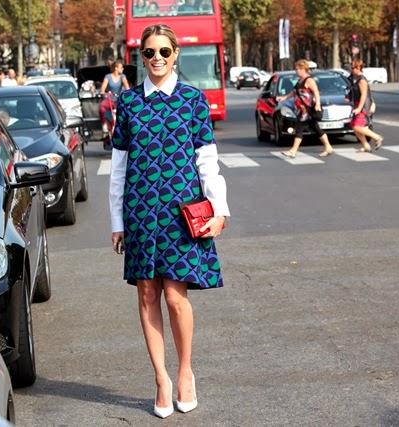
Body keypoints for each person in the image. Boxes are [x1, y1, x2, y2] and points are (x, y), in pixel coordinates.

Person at [109, 23, 229, 419]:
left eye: (163, 51)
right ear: (140, 57)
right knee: (147, 293)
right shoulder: (128, 103)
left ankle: (185, 372)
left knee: (177, 297)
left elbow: (207, 160)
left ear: (176, 54)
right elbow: (119, 168)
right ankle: (160, 377)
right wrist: (117, 221)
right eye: (149, 53)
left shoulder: (193, 100)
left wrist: (219, 209)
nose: (156, 58)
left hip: (181, 212)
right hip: (141, 211)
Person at [278, 59, 334, 158]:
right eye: (296, 69)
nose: (296, 71)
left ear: (304, 69)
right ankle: (328, 147)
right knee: (316, 129)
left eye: (298, 69)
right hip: (302, 110)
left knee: (299, 129)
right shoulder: (300, 80)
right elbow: (295, 92)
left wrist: (317, 104)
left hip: (308, 110)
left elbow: (316, 92)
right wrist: (284, 98)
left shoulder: (309, 80)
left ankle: (293, 151)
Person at [349, 59, 383, 152]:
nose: (352, 70)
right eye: (351, 68)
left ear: (359, 68)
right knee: (354, 126)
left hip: (363, 106)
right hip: (358, 105)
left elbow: (364, 95)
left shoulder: (362, 80)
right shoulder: (356, 79)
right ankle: (366, 145)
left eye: (353, 68)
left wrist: (359, 108)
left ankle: (377, 137)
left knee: (357, 126)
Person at [100, 59, 130, 140]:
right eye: (121, 67)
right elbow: (103, 87)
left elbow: (127, 86)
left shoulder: (122, 76)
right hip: (110, 99)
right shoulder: (108, 76)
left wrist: (128, 92)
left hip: (119, 100)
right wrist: (103, 92)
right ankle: (105, 125)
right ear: (116, 68)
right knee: (102, 107)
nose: (123, 69)